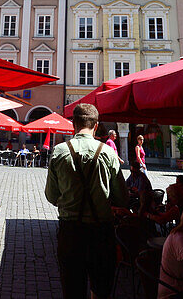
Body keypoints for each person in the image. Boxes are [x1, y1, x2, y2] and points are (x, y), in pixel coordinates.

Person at [45, 102, 128, 299]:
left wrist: (70, 200)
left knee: (72, 289)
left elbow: (51, 196)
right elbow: (122, 198)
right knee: (101, 289)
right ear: (96, 125)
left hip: (70, 232)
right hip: (101, 232)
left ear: (73, 123)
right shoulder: (108, 153)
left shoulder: (59, 152)